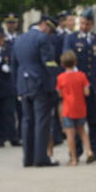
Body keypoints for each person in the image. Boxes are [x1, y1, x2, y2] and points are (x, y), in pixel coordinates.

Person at [14, 13, 61, 168]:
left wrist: (18, 85)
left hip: (24, 85)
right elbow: (48, 63)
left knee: (27, 121)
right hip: (40, 84)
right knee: (42, 121)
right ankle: (41, 157)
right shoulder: (42, 38)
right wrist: (58, 80)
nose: (50, 33)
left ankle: (28, 158)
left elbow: (15, 66)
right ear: (44, 25)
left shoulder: (19, 39)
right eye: (50, 29)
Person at [64, 10, 96, 162]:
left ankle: (94, 151)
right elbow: (66, 58)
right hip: (77, 88)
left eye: (87, 24)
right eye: (82, 23)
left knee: (95, 120)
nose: (84, 26)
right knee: (76, 121)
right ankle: (75, 152)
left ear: (92, 24)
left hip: (93, 86)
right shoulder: (71, 39)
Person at [54, 49, 94, 166]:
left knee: (70, 134)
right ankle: (89, 151)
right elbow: (87, 92)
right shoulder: (81, 75)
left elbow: (59, 94)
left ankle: (74, 158)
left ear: (62, 64)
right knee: (82, 131)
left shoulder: (60, 78)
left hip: (68, 109)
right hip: (80, 107)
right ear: (76, 62)